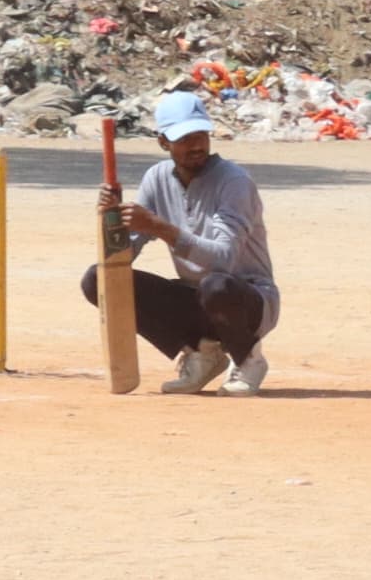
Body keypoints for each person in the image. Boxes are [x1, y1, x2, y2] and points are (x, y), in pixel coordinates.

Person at [86, 87, 280, 394]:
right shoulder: (156, 178)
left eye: (201, 135)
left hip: (247, 299)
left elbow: (223, 259)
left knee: (216, 285)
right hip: (196, 297)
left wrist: (160, 227)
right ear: (163, 141)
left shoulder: (234, 182)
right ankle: (201, 352)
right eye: (185, 138)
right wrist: (112, 220)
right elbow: (124, 256)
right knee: (96, 279)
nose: (196, 145)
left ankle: (248, 358)